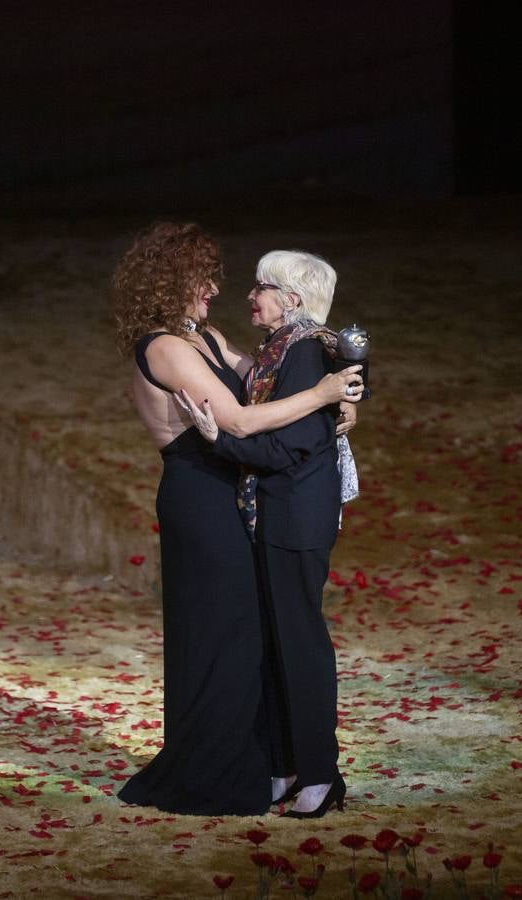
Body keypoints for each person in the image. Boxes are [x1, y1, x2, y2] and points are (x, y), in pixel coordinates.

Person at [112, 223, 362, 816]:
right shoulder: (165, 348)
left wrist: (343, 390)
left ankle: (270, 762)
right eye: (203, 277)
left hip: (234, 490)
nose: (214, 288)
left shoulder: (207, 337)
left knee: (249, 634)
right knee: (220, 634)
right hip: (200, 497)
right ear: (172, 282)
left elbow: (269, 381)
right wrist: (325, 394)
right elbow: (242, 422)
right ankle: (213, 768)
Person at [181, 249, 360, 818]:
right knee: (277, 643)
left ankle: (320, 773)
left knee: (300, 643)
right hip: (277, 511)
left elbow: (295, 442)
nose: (251, 295)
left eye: (262, 286)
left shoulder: (306, 350)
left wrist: (221, 440)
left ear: (293, 299)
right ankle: (284, 766)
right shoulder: (283, 349)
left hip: (295, 516)